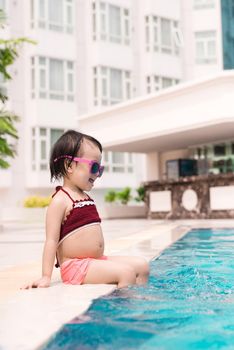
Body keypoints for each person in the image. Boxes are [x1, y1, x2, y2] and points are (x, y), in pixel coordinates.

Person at [22, 130, 149, 289]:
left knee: (142, 265)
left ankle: (140, 301)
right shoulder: (61, 200)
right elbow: (51, 240)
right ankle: (122, 310)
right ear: (69, 165)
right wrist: (46, 276)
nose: (97, 174)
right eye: (94, 167)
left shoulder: (85, 197)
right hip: (75, 266)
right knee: (126, 273)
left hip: (95, 261)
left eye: (100, 169)